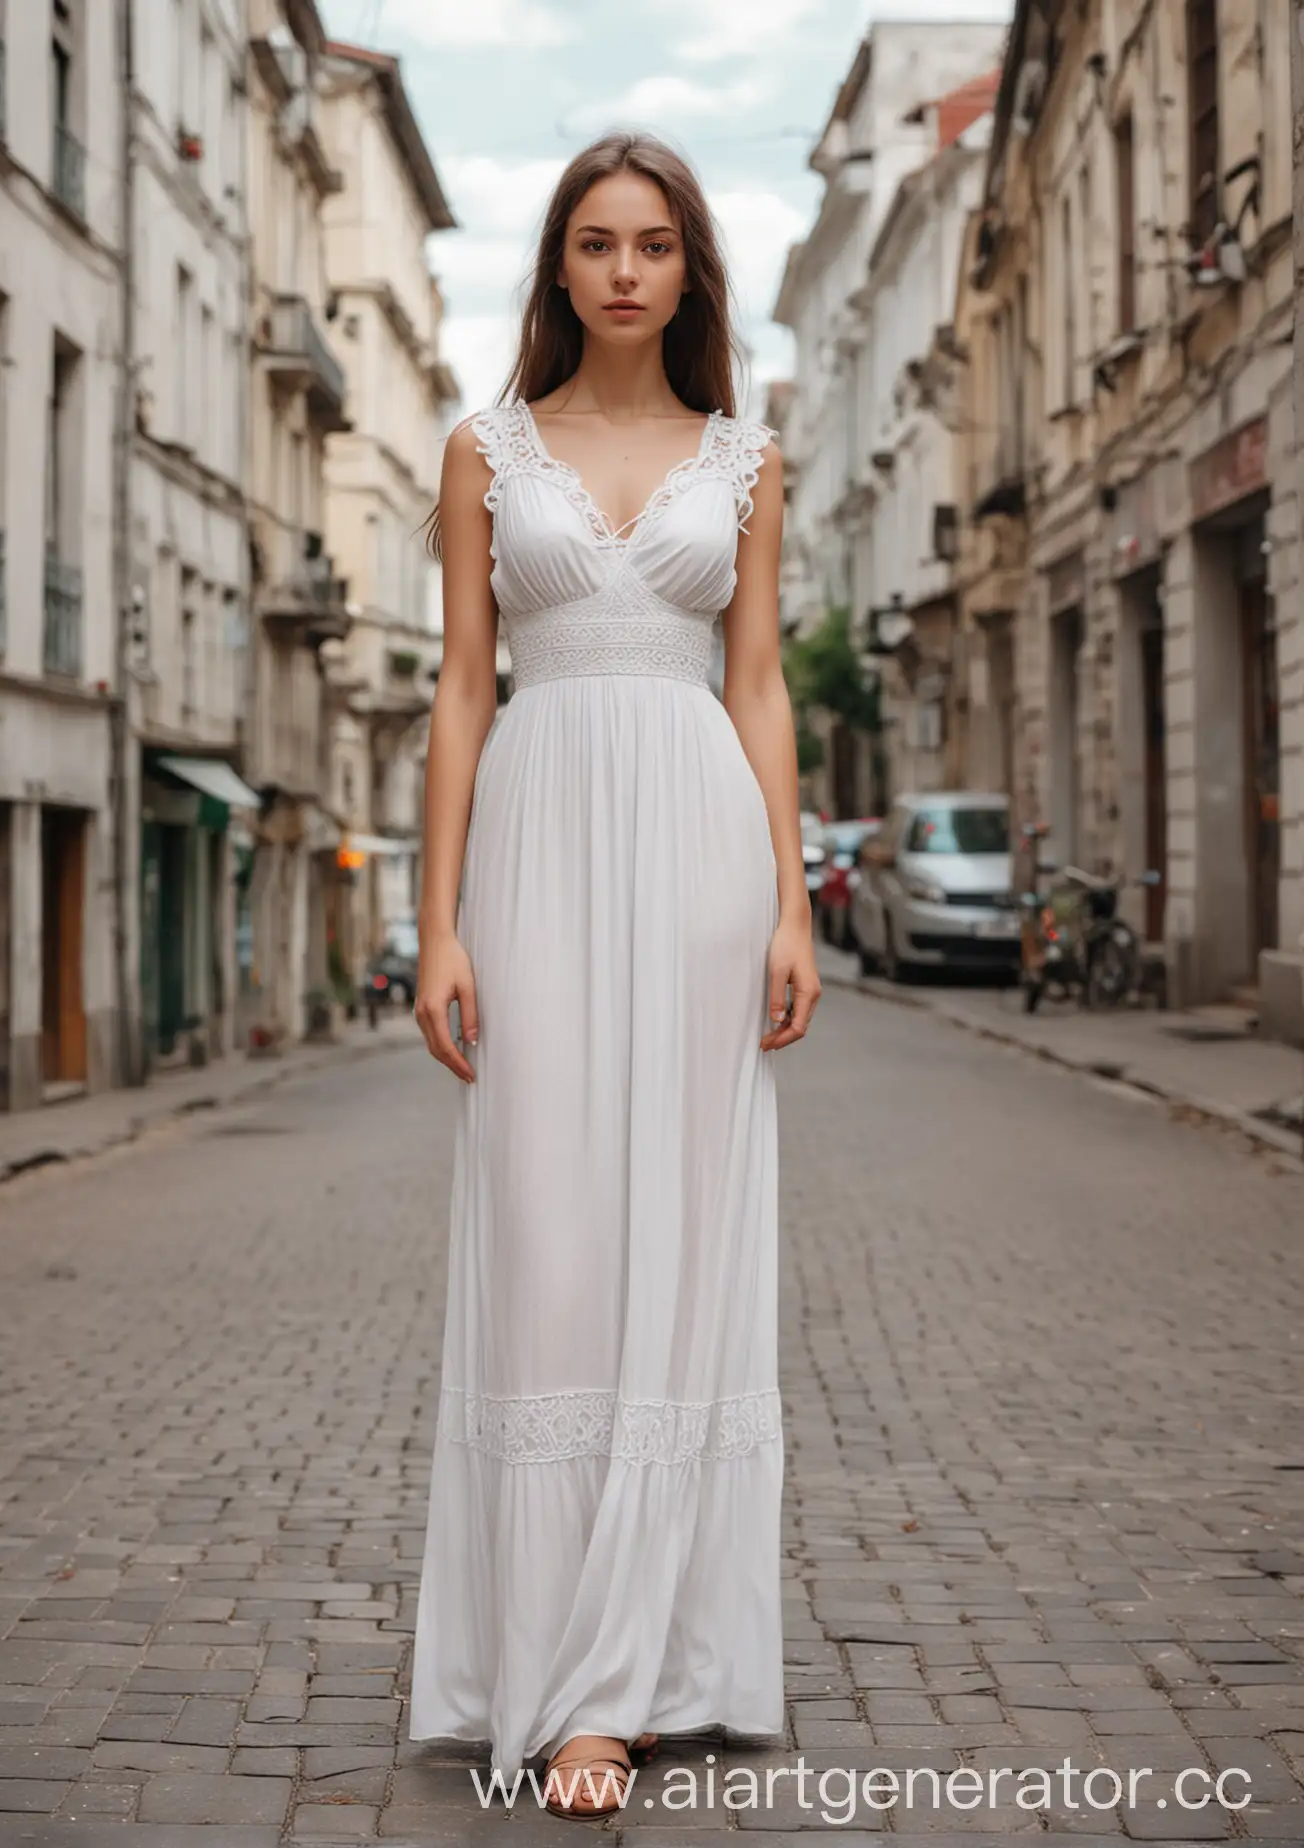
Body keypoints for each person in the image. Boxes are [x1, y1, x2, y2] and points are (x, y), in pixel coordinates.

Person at [407, 131, 820, 1819]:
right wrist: (434, 924)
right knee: (556, 1229)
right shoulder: (484, 453)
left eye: (655, 242)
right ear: (559, 268)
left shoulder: (749, 459)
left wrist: (792, 902)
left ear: (690, 268)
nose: (627, 269)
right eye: (596, 241)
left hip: (704, 859)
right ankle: (559, 1665)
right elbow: (457, 691)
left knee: (689, 1228)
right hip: (538, 846)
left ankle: (645, 1674)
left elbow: (764, 685)